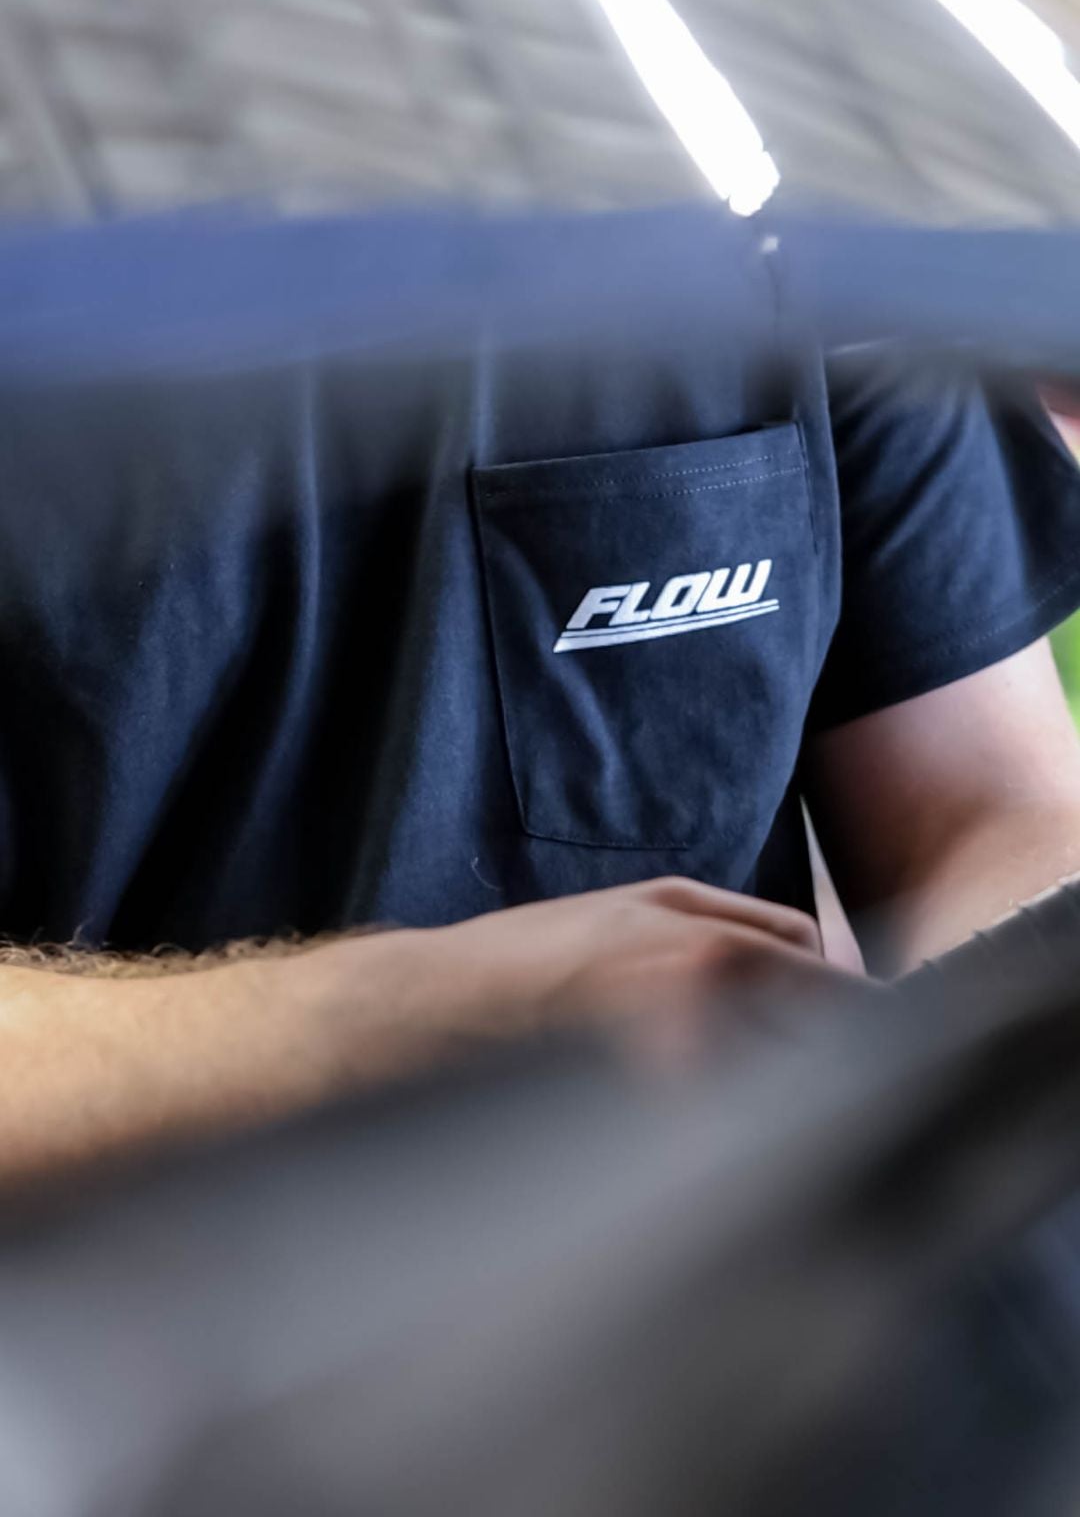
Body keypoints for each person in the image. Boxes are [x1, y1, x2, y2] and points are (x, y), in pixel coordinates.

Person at [2, 207, 1080, 1183]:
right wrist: (385, 1023)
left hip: (719, 1329)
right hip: (115, 1352)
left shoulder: (759, 190)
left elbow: (987, 803)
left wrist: (1009, 1007)